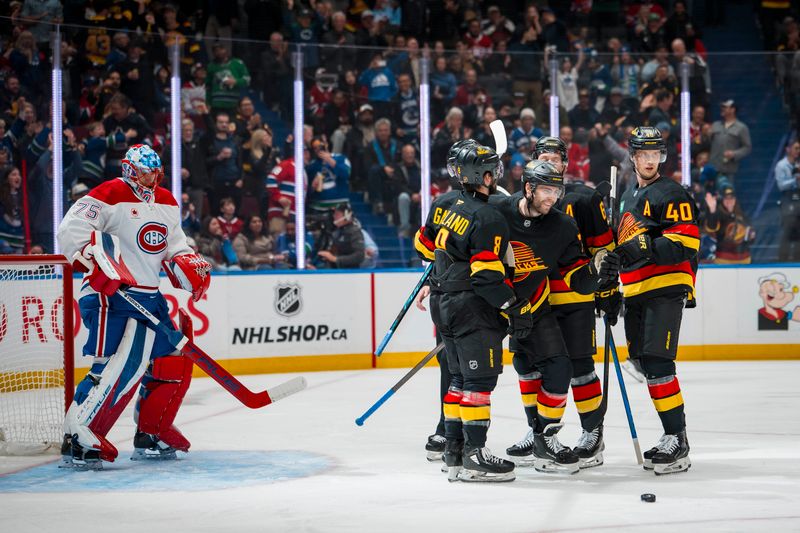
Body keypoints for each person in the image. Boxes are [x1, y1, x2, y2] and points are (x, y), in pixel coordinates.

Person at [56, 144, 212, 470]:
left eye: (155, 170)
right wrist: (90, 259)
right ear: (129, 169)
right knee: (115, 365)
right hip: (111, 295)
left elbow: (174, 243)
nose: (151, 176)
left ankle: (150, 433)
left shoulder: (167, 200)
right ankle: (79, 434)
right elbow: (71, 228)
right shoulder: (110, 192)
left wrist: (187, 260)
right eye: (145, 170)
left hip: (150, 298)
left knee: (170, 360)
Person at [491, 160, 617, 474]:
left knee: (561, 368)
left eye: (556, 190)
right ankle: (459, 443)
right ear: (529, 188)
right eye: (546, 189)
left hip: (532, 307)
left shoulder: (562, 226)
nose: (553, 197)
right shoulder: (497, 211)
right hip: (491, 305)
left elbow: (575, 275)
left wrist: (596, 272)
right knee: (472, 376)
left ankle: (544, 438)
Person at [413, 142, 517, 483]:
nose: (496, 175)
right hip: (471, 307)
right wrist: (512, 306)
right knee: (478, 383)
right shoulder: (489, 218)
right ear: (482, 176)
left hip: (441, 305)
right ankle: (475, 454)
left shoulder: (442, 202)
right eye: (492, 170)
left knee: (458, 379)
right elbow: (487, 278)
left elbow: (424, 247)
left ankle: (453, 453)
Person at [527, 136, 618, 469]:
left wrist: (607, 289)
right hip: (536, 299)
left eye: (556, 158)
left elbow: (603, 251)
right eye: (544, 157)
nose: (551, 163)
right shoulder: (527, 197)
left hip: (575, 297)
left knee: (580, 369)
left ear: (566, 163)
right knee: (534, 368)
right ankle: (539, 434)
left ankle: (592, 433)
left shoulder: (583, 198)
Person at [616, 126, 699, 475]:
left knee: (658, 362)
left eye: (655, 154)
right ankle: (671, 436)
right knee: (646, 363)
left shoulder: (671, 192)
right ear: (633, 157)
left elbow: (687, 242)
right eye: (643, 154)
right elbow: (622, 247)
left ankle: (676, 439)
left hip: (665, 287)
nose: (650, 160)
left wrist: (645, 247)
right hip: (635, 291)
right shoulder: (626, 197)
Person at [702, 186, 755, 264]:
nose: (729, 201)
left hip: (744, 260)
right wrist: (712, 210)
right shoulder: (718, 214)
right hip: (723, 261)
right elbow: (711, 227)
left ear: (735, 200)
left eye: (731, 198)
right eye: (726, 198)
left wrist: (751, 236)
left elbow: (750, 238)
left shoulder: (742, 215)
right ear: (722, 200)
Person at [708, 100, 751, 182]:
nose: (722, 109)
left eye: (725, 107)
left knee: (727, 193)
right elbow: (709, 144)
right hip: (713, 168)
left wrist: (734, 154)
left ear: (732, 110)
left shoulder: (741, 127)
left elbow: (747, 147)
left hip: (728, 169)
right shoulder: (715, 125)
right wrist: (707, 135)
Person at [316, 202, 366, 269]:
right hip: (337, 270)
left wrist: (335, 259)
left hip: (349, 273)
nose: (334, 216)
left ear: (347, 215)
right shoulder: (338, 231)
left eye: (337, 214)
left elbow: (359, 256)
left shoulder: (354, 232)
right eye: (334, 214)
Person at [775, 140, 800, 262]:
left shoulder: (798, 164)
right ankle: (782, 261)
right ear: (788, 149)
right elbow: (781, 185)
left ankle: (797, 260)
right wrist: (795, 180)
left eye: (799, 149)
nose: (798, 151)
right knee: (787, 231)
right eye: (796, 148)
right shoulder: (781, 165)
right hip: (787, 199)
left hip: (798, 198)